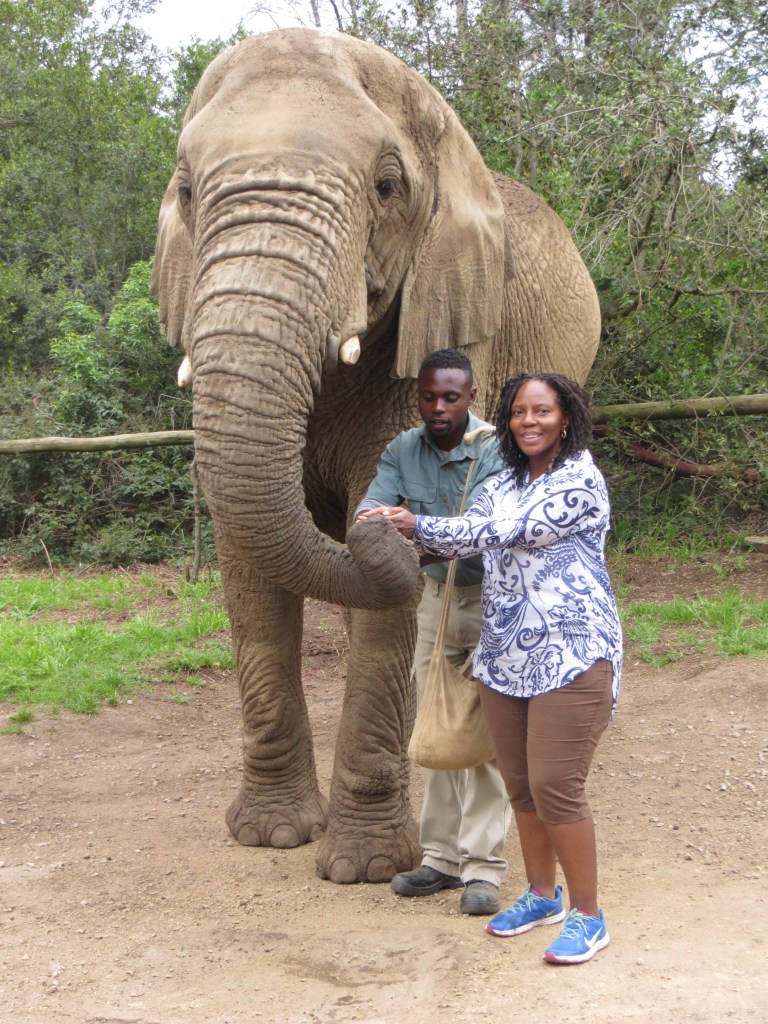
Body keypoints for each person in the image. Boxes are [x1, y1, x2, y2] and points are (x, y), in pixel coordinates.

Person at [364, 372, 622, 965]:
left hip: (572, 653)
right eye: (519, 412)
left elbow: (502, 531)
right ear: (507, 419)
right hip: (504, 656)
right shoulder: (503, 480)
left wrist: (415, 523)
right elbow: (467, 536)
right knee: (523, 787)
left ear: (566, 418)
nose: (529, 422)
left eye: (543, 412)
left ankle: (588, 915)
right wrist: (391, 526)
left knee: (558, 787)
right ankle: (540, 894)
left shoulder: (580, 480)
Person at [355, 349, 512, 916]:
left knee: (489, 735)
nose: (439, 407)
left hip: (498, 602)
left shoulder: (497, 450)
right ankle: (442, 859)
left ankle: (484, 867)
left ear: (472, 397)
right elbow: (371, 507)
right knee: (439, 721)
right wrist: (378, 517)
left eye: (451, 397)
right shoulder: (403, 448)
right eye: (429, 396)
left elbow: (488, 529)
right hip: (436, 601)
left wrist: (415, 525)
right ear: (417, 396)